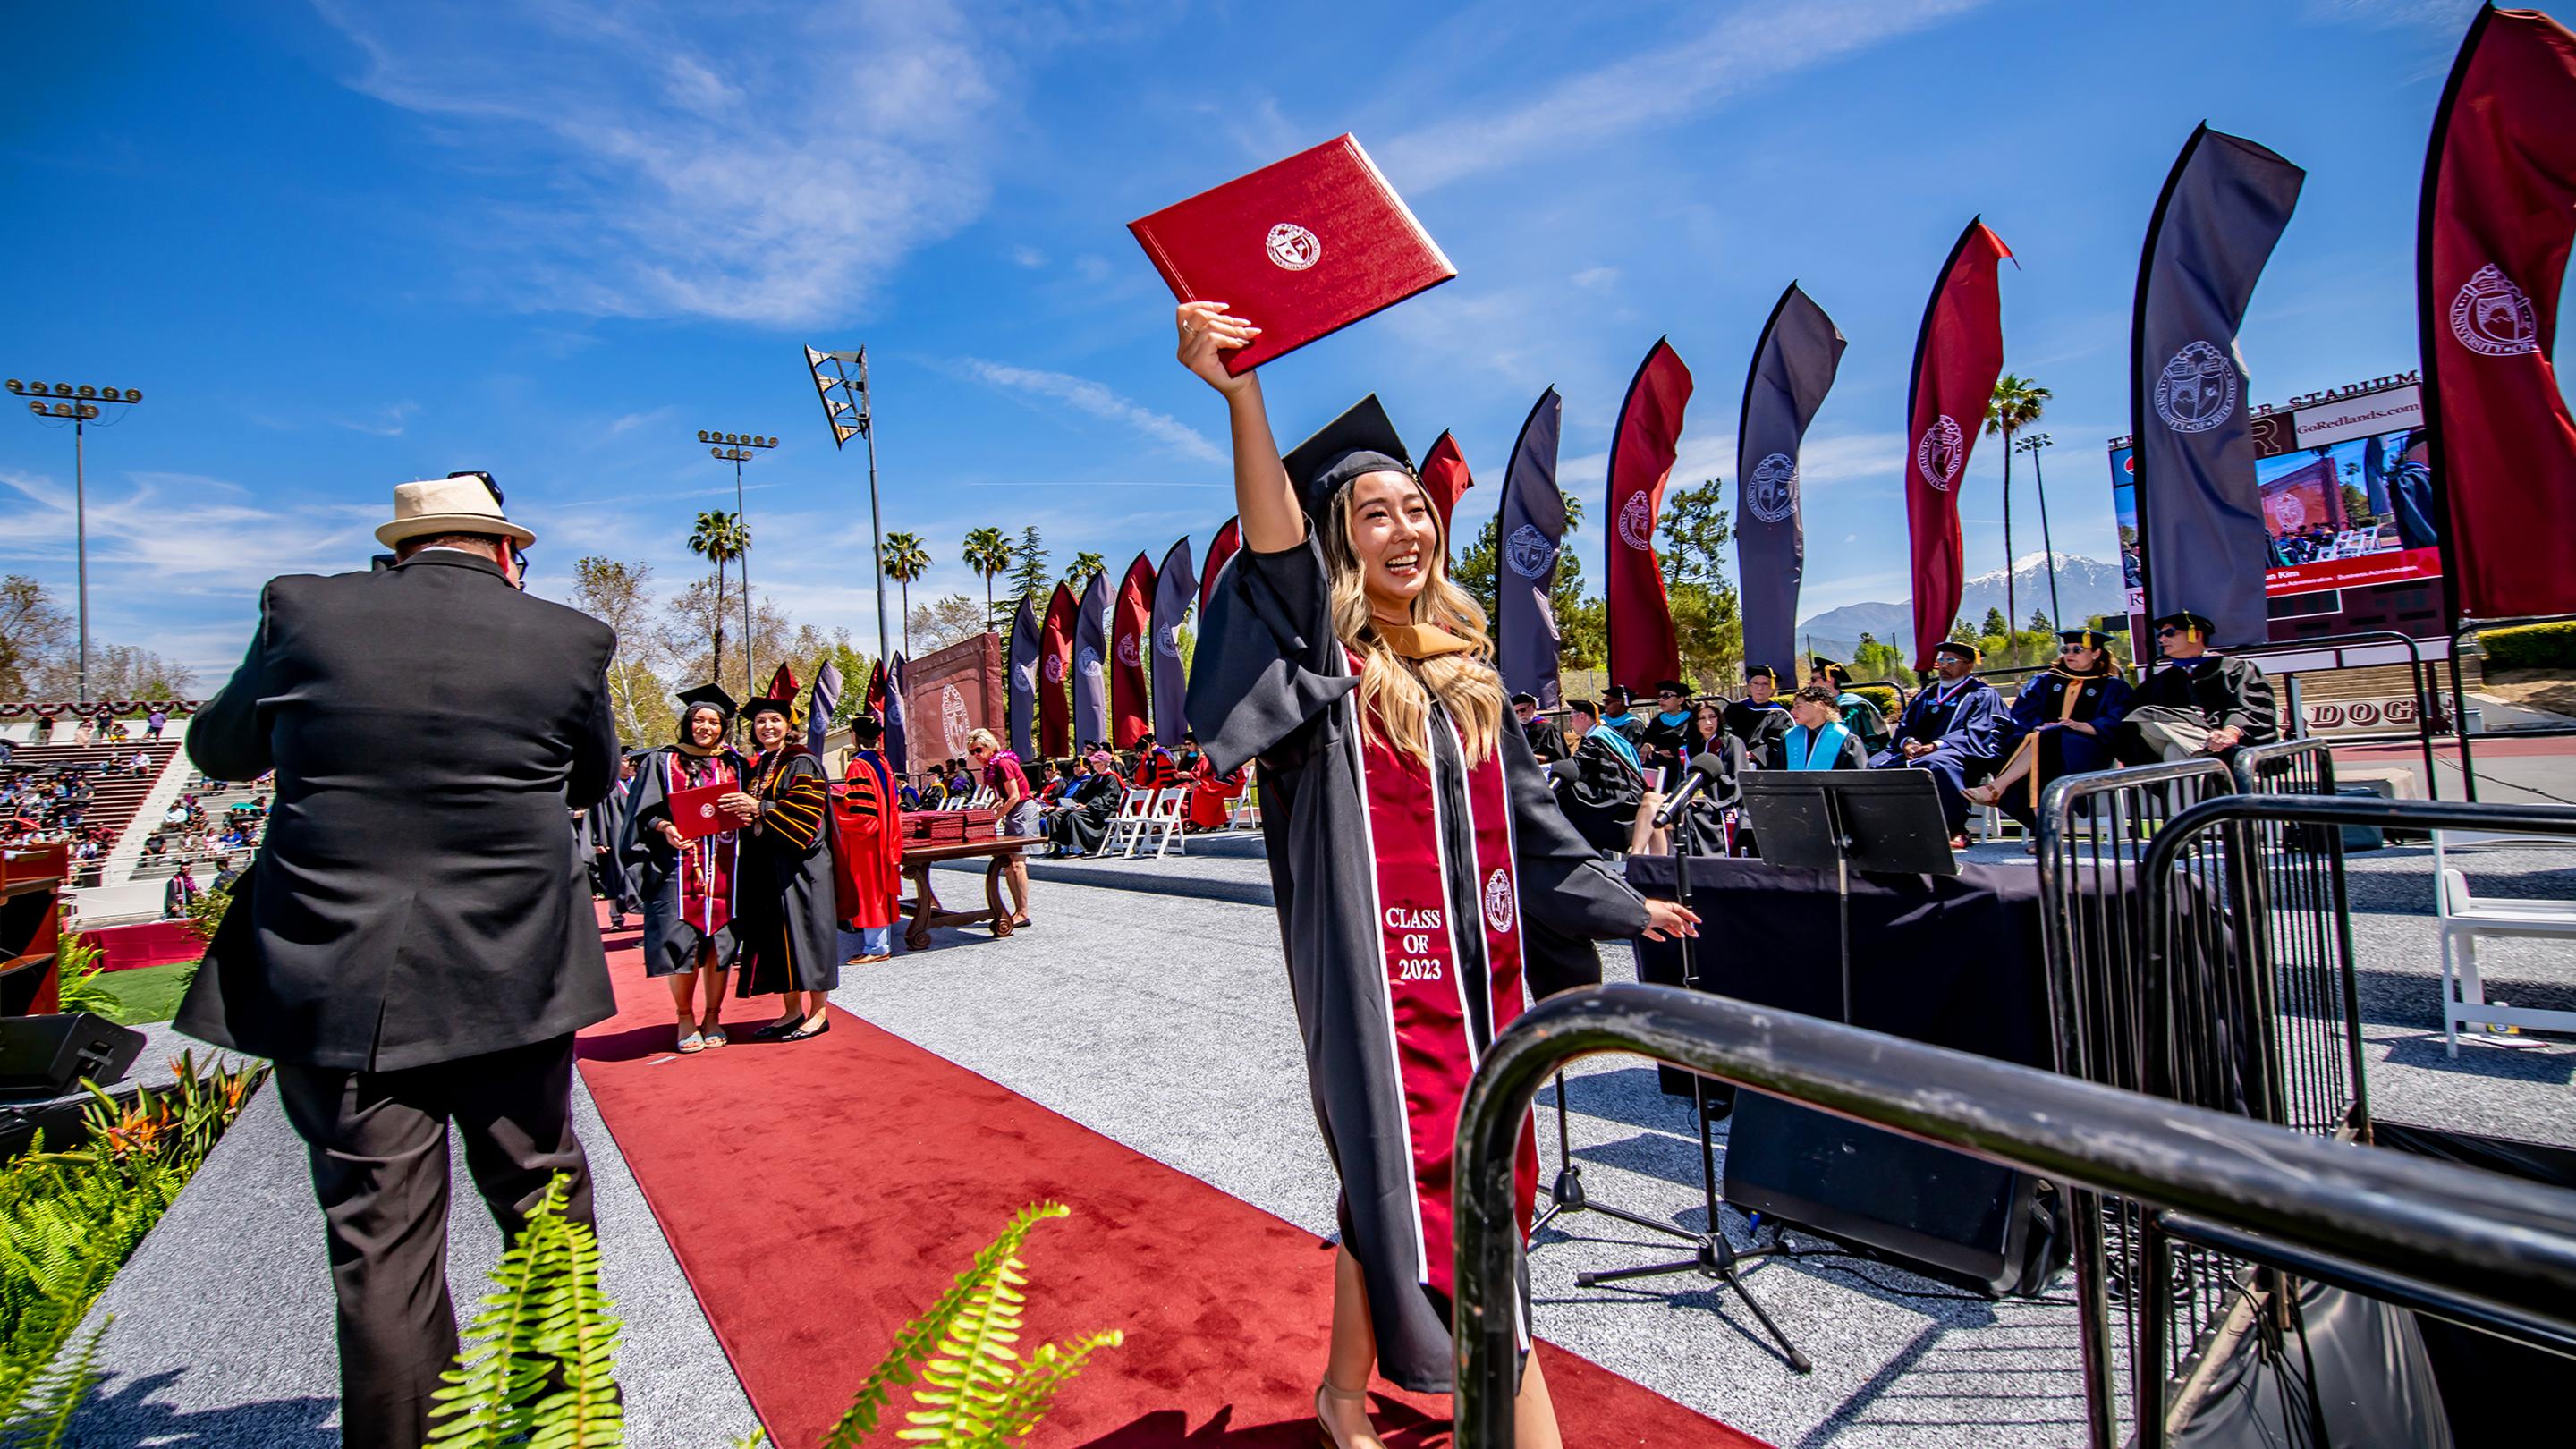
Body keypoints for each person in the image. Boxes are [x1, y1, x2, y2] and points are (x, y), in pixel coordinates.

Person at [1174, 301, 1698, 1449]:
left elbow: (1535, 822)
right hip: (1379, 994)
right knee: (1460, 1214)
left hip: (1482, 994)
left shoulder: (1467, 675)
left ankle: (1340, 1389)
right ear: (1337, 539)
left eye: (1417, 507)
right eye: (1374, 513)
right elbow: (1270, 556)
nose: (1407, 527)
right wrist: (1243, 396)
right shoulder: (1326, 670)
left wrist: (1623, 900)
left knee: (1410, 1187)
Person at [174, 473, 617, 1449]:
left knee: (382, 1252)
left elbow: (218, 751)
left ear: (402, 547)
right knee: (545, 1212)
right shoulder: (567, 637)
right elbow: (589, 777)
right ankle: (571, 1425)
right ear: (507, 553)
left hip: (339, 980)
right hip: (513, 972)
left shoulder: (303, 608)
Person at [620, 684, 748, 1053]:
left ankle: (712, 1015)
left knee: (719, 945)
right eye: (698, 720)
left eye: (713, 722)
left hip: (726, 868)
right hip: (678, 868)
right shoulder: (663, 761)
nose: (705, 727)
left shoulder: (734, 763)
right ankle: (684, 1017)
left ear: (723, 727)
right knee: (684, 945)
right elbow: (642, 813)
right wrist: (666, 828)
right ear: (687, 723)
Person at [728, 690, 837, 1042]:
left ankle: (818, 1013)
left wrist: (759, 809)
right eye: (760, 721)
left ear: (789, 724)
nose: (767, 726)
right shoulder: (760, 765)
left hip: (802, 866)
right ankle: (791, 1012)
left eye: (775, 719)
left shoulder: (800, 761)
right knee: (780, 938)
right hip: (768, 865)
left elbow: (807, 817)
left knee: (808, 935)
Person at [1969, 628, 2135, 830]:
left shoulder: (2113, 687)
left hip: (2087, 749)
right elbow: (2023, 713)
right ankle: (2042, 827)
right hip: (2039, 742)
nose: (2069, 654)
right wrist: (2036, 725)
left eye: (2077, 649)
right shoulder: (2045, 681)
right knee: (2029, 742)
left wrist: (2082, 726)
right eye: (2066, 650)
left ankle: (1999, 790)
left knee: (2047, 739)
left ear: (2096, 653)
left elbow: (2118, 719)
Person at [1868, 640, 2004, 845]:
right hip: (1918, 753)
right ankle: (1892, 827)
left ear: (1968, 665)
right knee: (1874, 764)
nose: (1944, 665)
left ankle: (1955, 829)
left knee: (1936, 764)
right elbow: (1906, 726)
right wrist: (1909, 742)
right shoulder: (1927, 695)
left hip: (1960, 754)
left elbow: (1979, 730)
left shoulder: (1981, 694)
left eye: (1951, 660)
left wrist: (1936, 746)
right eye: (1942, 660)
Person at [2112, 610, 2279, 765]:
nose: (2162, 639)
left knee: (2175, 750)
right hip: (2191, 752)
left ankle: (2207, 754)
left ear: (2196, 634)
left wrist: (2230, 732)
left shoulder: (2235, 668)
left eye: (2169, 633)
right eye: (2160, 635)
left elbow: (2251, 707)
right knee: (2144, 716)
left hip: (2226, 744)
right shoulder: (2159, 681)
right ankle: (2212, 751)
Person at [834, 716, 905, 965]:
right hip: (885, 834)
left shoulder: (859, 765)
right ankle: (878, 943)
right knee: (878, 889)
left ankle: (876, 947)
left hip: (866, 838)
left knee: (869, 891)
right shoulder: (882, 762)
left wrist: (836, 810)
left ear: (855, 735)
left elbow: (863, 810)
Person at [1548, 698, 1648, 856]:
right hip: (1627, 797)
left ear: (1582, 716)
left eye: (1571, 717)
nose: (1570, 722)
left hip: (1624, 807)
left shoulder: (1597, 739)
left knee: (1567, 795)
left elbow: (1577, 764)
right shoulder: (1603, 735)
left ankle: (1577, 850)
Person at [966, 727, 1036, 929]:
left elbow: (1014, 795)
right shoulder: (992, 766)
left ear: (989, 746)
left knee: (1017, 864)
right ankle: (1017, 911)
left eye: (978, 750)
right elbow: (1002, 798)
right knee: (1008, 865)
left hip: (1022, 810)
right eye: (972, 752)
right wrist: (985, 814)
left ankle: (1023, 912)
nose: (976, 756)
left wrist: (995, 817)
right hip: (1014, 810)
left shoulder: (1003, 763)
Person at [1809, 657, 1891, 758]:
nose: (1809, 684)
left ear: (1830, 680)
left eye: (1814, 679)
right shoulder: (1819, 705)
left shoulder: (1852, 707)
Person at [1045, 750, 1121, 857]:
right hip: (1088, 807)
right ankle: (1061, 846)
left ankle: (1078, 847)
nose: (1092, 765)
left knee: (1074, 816)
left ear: (1103, 764)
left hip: (1101, 810)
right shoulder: (1096, 777)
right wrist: (1072, 805)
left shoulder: (1111, 778)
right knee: (1055, 815)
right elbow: (1083, 794)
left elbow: (1106, 799)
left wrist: (1087, 806)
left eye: (1095, 763)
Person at [1781, 684, 1870, 769]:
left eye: (1798, 706)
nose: (1792, 712)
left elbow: (1858, 778)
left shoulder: (1845, 740)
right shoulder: (1789, 737)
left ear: (1820, 706)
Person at [1723, 665, 1792, 766]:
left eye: (1765, 684)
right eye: (1756, 683)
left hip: (1762, 766)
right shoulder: (1734, 709)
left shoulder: (1780, 715)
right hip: (1733, 760)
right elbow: (1724, 734)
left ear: (1773, 688)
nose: (1760, 688)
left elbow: (1779, 743)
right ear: (1750, 687)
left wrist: (1756, 754)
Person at [1639, 679, 1697, 784]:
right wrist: (1648, 745)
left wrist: (1674, 751)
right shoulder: (1657, 721)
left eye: (1666, 696)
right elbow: (1649, 739)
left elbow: (1696, 743)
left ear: (1680, 700)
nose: (1661, 700)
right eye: (1659, 696)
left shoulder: (1693, 719)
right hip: (1661, 770)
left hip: (1685, 768)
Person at [1511, 692, 1567, 762]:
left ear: (1533, 707)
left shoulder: (1548, 728)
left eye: (1523, 710)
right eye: (1516, 712)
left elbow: (1559, 756)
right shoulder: (1515, 730)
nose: (1520, 714)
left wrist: (1534, 757)